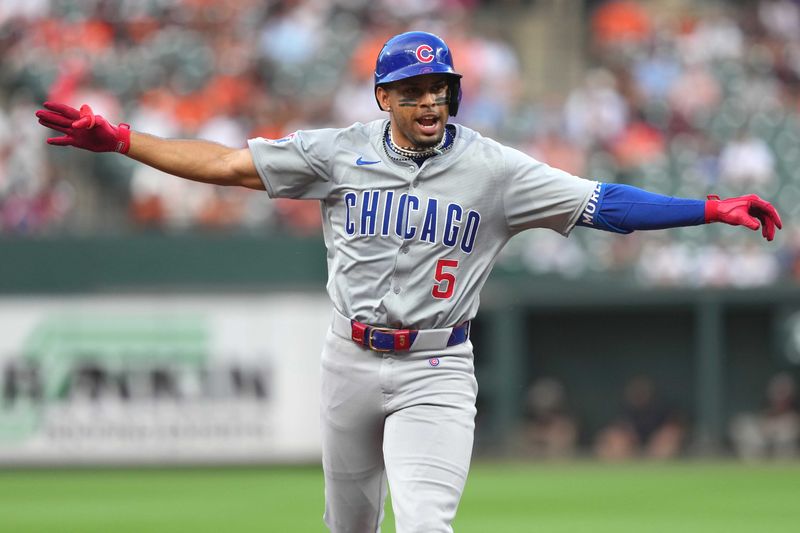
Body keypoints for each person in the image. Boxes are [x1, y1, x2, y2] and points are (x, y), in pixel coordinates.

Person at [35, 31, 782, 533]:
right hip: (348, 360)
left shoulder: (494, 169)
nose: (431, 101)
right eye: (414, 88)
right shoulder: (337, 152)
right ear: (384, 97)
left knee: (425, 521)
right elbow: (228, 165)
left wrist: (710, 206)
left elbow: (603, 204)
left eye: (441, 88)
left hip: (435, 365)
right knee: (349, 523)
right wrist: (122, 141)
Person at [594, 375, 686, 460]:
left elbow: (674, 427)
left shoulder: (662, 408)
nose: (639, 394)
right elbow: (616, 430)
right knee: (615, 440)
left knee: (668, 437)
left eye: (642, 391)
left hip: (656, 449)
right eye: (635, 391)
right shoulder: (625, 409)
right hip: (631, 449)